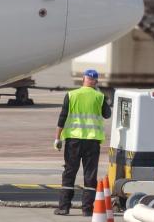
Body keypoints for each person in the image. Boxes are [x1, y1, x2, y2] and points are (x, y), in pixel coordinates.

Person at [53, 69, 111, 217]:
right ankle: (87, 209)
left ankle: (64, 207)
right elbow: (107, 114)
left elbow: (62, 117)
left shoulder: (72, 95)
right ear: (96, 81)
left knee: (69, 172)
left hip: (73, 140)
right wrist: (100, 96)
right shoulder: (100, 96)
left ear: (83, 79)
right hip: (92, 141)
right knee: (90, 175)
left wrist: (57, 138)